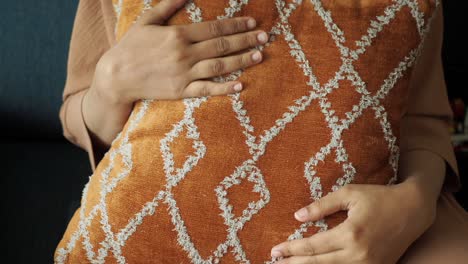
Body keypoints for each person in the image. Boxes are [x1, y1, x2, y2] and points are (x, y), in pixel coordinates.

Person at [57, 0, 468, 263]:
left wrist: (415, 205)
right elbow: (79, 119)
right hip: (152, 210)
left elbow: (423, 123)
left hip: (374, 224)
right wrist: (111, 81)